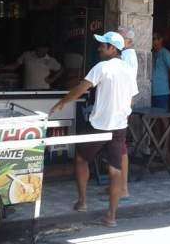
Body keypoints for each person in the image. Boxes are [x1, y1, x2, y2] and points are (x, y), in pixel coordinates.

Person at [50, 31, 136, 228]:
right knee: (115, 171)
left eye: (103, 45)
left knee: (81, 159)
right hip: (119, 127)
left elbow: (81, 88)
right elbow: (132, 98)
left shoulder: (102, 67)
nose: (99, 48)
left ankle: (82, 202)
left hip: (99, 125)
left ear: (112, 48)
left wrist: (61, 103)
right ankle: (111, 217)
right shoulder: (128, 70)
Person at [116, 25, 139, 199]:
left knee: (120, 146)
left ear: (128, 41)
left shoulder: (127, 56)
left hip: (120, 107)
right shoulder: (124, 56)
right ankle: (117, 185)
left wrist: (125, 107)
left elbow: (128, 84)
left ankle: (123, 188)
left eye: (120, 36)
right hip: (118, 106)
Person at [151, 32, 170, 111]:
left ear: (161, 40)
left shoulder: (166, 54)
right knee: (151, 117)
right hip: (151, 92)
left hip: (162, 93)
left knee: (163, 116)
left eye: (155, 39)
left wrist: (167, 85)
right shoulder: (151, 54)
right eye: (152, 39)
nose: (153, 41)